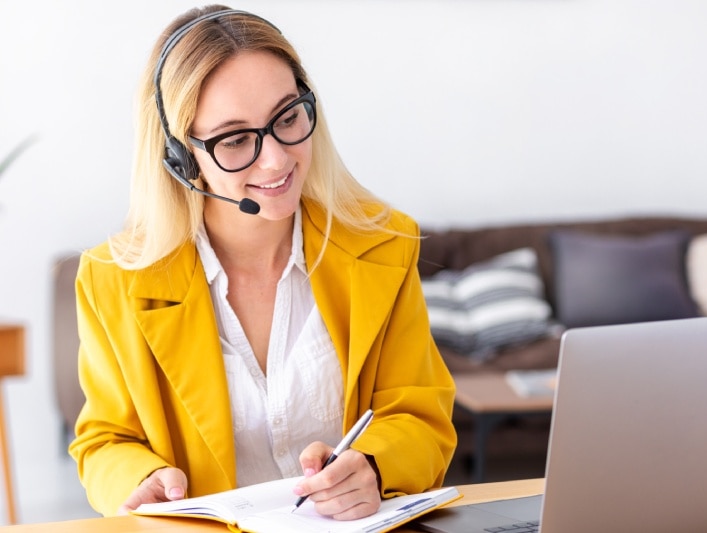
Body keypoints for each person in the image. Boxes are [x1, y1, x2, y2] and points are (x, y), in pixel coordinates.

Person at [68, 4, 457, 520]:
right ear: (181, 160)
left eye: (288, 117)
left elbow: (421, 416)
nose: (275, 159)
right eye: (234, 139)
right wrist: (139, 478)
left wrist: (376, 466)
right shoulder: (112, 280)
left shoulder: (383, 244)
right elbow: (104, 440)